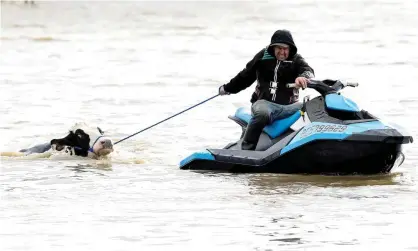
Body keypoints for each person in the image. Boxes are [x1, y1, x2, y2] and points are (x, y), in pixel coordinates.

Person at [218, 29, 315, 150]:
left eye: (285, 48)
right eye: (278, 48)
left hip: (289, 107)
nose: (282, 52)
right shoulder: (263, 56)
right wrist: (227, 88)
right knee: (262, 113)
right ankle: (247, 149)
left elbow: (308, 71)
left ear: (290, 49)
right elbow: (245, 76)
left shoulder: (296, 59)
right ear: (273, 47)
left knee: (313, 106)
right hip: (264, 104)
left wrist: (303, 77)